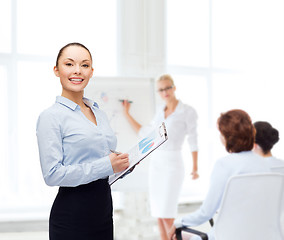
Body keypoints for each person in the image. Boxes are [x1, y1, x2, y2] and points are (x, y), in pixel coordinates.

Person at [36, 42, 129, 240]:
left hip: (103, 211)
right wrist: (106, 165)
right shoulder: (51, 117)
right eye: (69, 64)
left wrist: (119, 165)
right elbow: (52, 174)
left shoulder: (99, 113)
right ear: (56, 70)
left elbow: (101, 161)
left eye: (84, 65)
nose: (77, 71)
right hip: (72, 217)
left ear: (91, 71)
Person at [168, 109, 274, 240]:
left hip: (226, 236)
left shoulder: (224, 165)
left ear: (226, 137)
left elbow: (206, 213)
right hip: (259, 235)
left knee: (177, 235)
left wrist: (178, 222)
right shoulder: (265, 166)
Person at [122, 74, 199, 240]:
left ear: (174, 87)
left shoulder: (187, 111)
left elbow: (193, 140)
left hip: (173, 163)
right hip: (157, 164)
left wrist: (195, 167)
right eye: (161, 90)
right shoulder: (159, 111)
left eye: (168, 88)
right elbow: (146, 133)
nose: (165, 92)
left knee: (167, 211)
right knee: (158, 212)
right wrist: (127, 114)